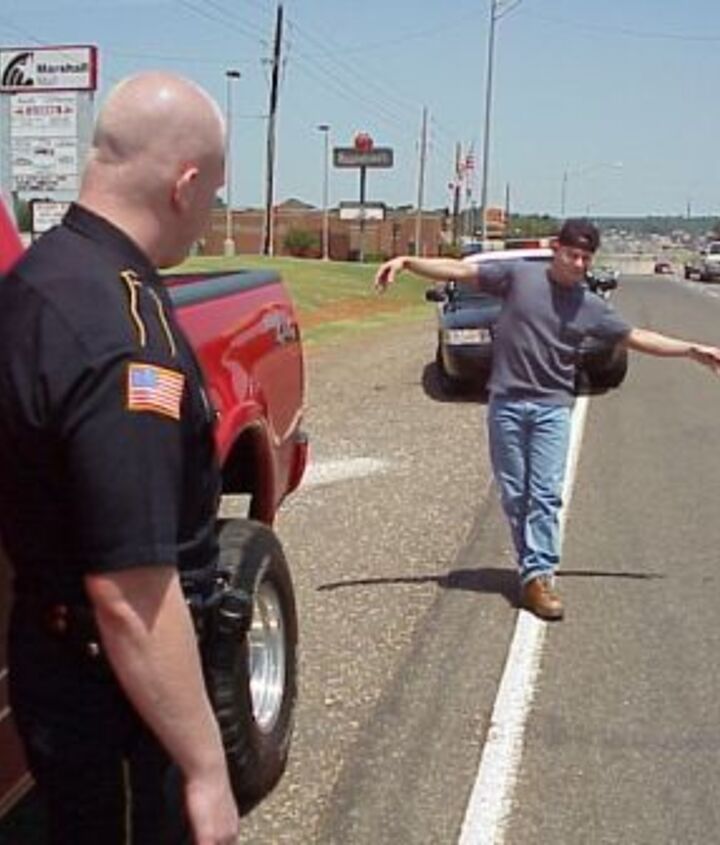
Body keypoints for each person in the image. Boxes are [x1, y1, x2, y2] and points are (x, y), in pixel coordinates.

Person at [0, 73, 240, 844]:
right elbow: (132, 593)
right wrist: (206, 767)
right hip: (116, 695)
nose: (208, 214)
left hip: (55, 653)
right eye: (213, 196)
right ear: (185, 185)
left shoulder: (42, 276)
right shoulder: (124, 339)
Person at [375, 219, 720, 621]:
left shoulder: (589, 305)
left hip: (552, 409)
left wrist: (691, 350)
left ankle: (538, 576)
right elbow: (462, 270)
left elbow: (635, 336)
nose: (578, 264)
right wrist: (407, 262)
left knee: (544, 494)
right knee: (515, 495)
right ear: (556, 249)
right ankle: (531, 569)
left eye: (586, 258)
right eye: (572, 255)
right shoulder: (520, 276)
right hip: (506, 404)